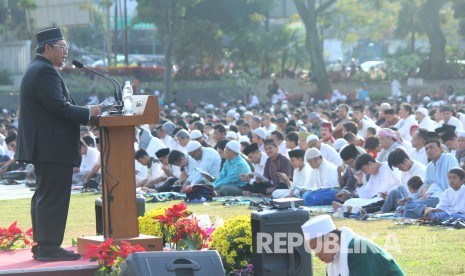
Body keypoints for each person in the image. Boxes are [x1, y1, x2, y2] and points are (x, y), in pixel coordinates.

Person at [15, 27, 101, 261]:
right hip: (51, 147)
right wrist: (88, 111)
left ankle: (43, 246)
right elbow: (59, 107)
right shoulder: (44, 72)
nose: (65, 53)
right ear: (48, 47)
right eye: (62, 48)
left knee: (45, 195)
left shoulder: (38, 69)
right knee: (53, 197)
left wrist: (85, 114)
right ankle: (49, 248)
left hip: (46, 146)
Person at [301, 215, 405, 276]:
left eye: (316, 247)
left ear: (332, 239)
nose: (316, 254)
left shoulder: (358, 249)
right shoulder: (334, 258)